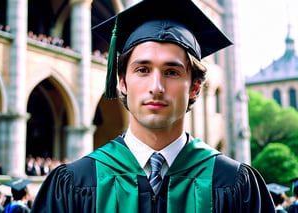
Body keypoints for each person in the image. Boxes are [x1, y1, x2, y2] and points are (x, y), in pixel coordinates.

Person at [31, 0, 275, 212]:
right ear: (122, 83)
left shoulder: (235, 184)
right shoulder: (75, 183)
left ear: (194, 88)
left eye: (172, 71)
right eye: (143, 70)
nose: (156, 86)